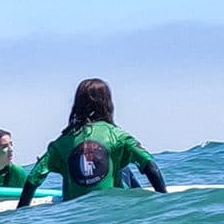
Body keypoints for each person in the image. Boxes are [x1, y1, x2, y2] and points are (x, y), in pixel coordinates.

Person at [18, 79, 166, 208]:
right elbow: (150, 166)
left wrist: (21, 211)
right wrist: (164, 201)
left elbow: (33, 178)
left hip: (74, 213)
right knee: (122, 165)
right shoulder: (118, 136)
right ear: (107, 103)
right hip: (114, 208)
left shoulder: (62, 143)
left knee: (120, 163)